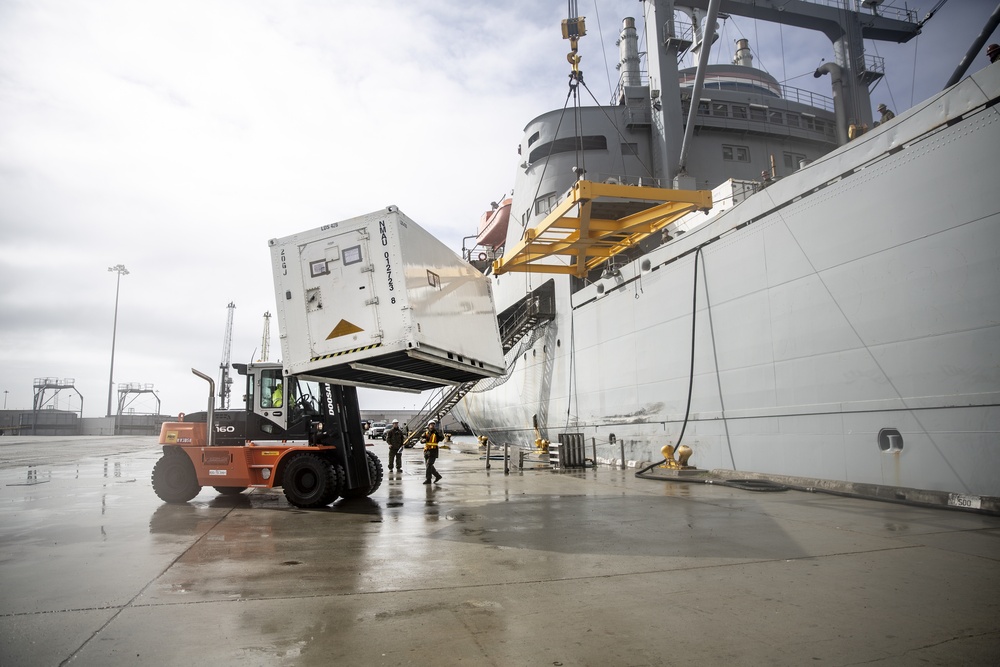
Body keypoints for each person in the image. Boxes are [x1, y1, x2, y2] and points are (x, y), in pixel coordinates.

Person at [421, 419, 444, 484]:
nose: (432, 426)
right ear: (428, 426)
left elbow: (441, 438)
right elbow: (421, 439)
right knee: (428, 466)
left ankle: (428, 479)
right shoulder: (426, 433)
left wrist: (439, 434)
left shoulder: (436, 432)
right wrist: (423, 440)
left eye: (433, 425)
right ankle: (437, 476)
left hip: (433, 451)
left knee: (429, 465)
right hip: (426, 451)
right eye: (431, 425)